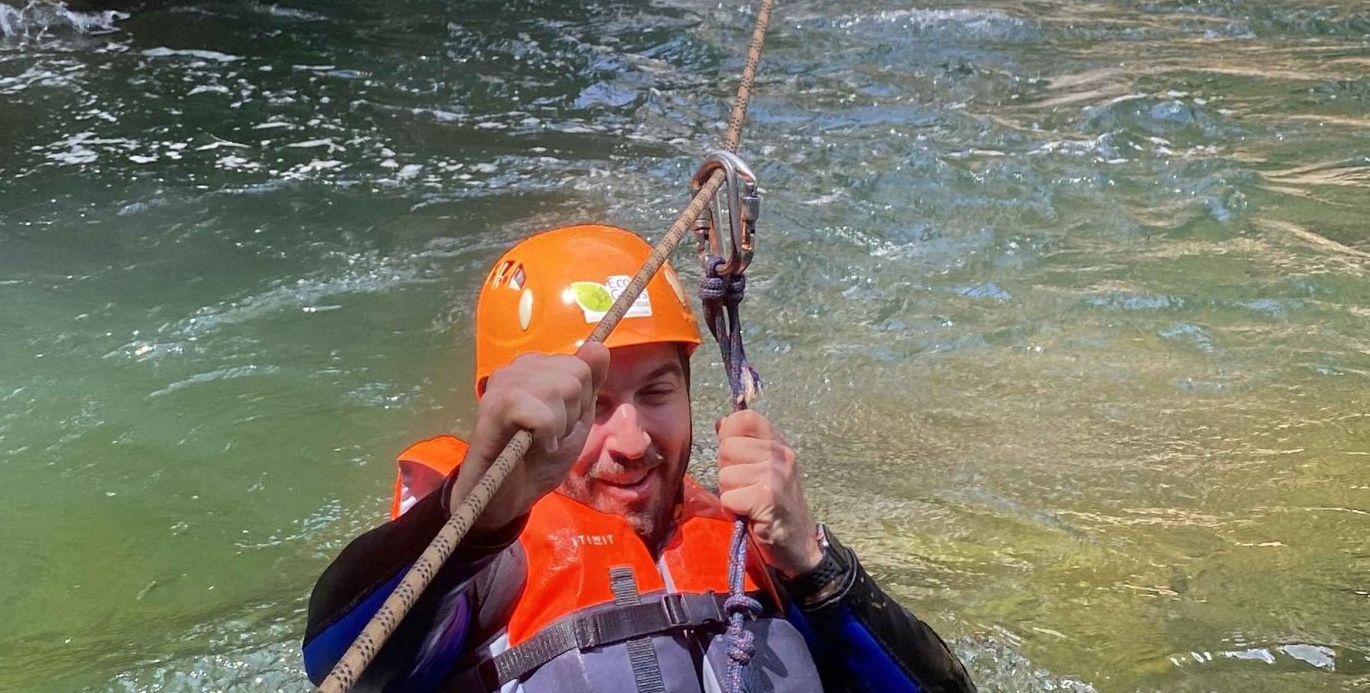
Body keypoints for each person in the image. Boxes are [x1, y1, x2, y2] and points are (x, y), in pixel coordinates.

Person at [304, 224, 974, 692]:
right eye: (590, 405)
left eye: (656, 391)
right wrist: (476, 514)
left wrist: (814, 563)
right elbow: (346, 665)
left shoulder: (752, 548)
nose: (631, 441)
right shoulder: (481, 568)